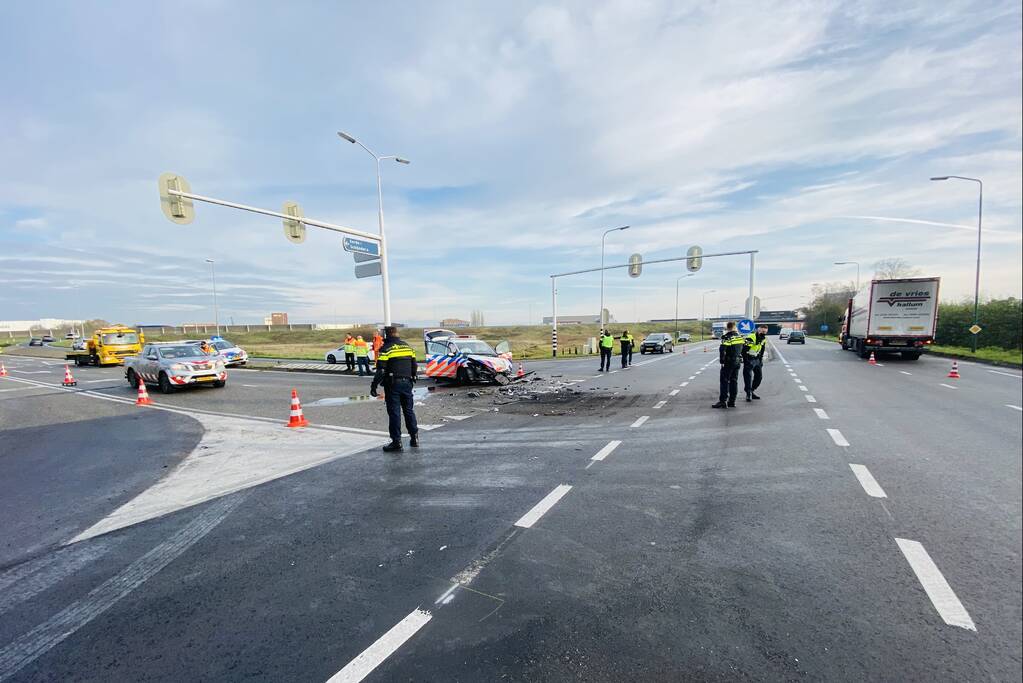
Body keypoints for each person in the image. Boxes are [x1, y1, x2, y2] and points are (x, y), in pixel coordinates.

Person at [370, 326, 419, 452]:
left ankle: (396, 442)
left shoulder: (386, 349)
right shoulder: (407, 347)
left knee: (394, 413)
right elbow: (414, 365)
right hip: (407, 383)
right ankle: (414, 438)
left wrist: (374, 385)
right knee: (409, 410)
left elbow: (381, 370)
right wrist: (412, 377)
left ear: (386, 335)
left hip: (393, 385)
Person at [712, 321, 745, 409]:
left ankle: (723, 401)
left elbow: (722, 349)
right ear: (735, 327)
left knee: (724, 381)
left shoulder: (727, 337)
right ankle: (732, 402)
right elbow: (742, 349)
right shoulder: (740, 337)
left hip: (729, 362)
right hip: (737, 362)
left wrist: (722, 361)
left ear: (727, 328)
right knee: (734, 381)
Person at [743, 326, 768, 401]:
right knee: (748, 378)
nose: (763, 333)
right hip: (749, 359)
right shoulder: (751, 337)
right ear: (758, 330)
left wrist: (760, 360)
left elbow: (762, 349)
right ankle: (748, 394)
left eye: (765, 332)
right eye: (762, 332)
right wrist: (746, 361)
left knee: (759, 377)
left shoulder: (763, 338)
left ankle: (751, 390)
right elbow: (744, 350)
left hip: (757, 359)